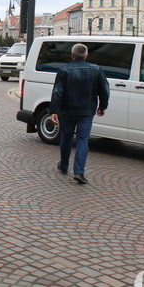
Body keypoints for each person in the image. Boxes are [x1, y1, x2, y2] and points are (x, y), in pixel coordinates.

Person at [49, 43, 110, 185]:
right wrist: (102, 106)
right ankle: (79, 171)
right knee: (83, 140)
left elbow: (57, 92)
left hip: (67, 110)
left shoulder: (64, 70)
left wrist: (54, 111)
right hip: (87, 111)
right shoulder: (96, 70)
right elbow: (105, 90)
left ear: (72, 55)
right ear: (86, 55)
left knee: (66, 138)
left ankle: (64, 165)